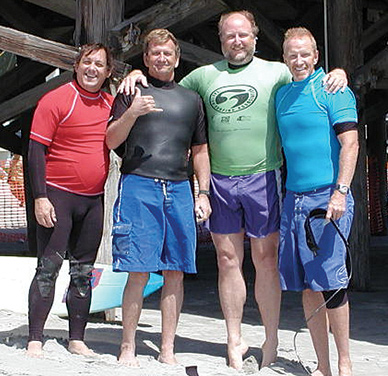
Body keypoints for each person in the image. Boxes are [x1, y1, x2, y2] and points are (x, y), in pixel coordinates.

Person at [121, 10, 347, 370]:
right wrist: (133, 72)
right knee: (228, 261)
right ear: (221, 39)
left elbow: (309, 74)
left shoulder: (277, 71)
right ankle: (234, 339)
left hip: (263, 177)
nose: (237, 41)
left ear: (255, 37)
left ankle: (270, 340)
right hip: (222, 181)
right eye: (229, 36)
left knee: (266, 260)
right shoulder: (204, 76)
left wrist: (339, 73)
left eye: (243, 35)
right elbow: (166, 80)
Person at [106, 29, 211, 367]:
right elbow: (110, 141)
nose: (161, 58)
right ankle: (127, 346)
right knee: (137, 271)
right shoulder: (131, 90)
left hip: (179, 188)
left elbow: (200, 150)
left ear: (176, 58)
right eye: (155, 54)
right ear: (146, 58)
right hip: (139, 185)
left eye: (167, 53)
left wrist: (204, 192)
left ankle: (168, 348)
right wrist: (133, 112)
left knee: (175, 271)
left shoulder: (191, 99)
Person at [276, 27, 358, 376]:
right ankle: (322, 365)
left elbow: (350, 144)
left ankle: (344, 363)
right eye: (292, 54)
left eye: (305, 53)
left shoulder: (333, 89)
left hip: (327, 197)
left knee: (331, 281)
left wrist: (340, 191)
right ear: (284, 58)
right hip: (293, 198)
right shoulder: (280, 95)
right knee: (307, 284)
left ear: (316, 56)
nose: (299, 60)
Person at [26, 43, 114, 357]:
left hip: (93, 201)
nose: (92, 69)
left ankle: (77, 338)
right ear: (76, 66)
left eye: (100, 64)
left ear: (108, 72)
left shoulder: (109, 103)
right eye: (87, 62)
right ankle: (35, 337)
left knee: (83, 272)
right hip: (57, 196)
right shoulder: (57, 99)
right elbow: (35, 151)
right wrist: (40, 198)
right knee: (48, 268)